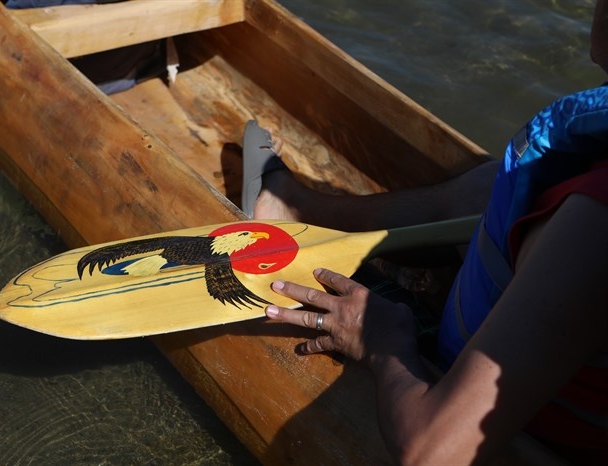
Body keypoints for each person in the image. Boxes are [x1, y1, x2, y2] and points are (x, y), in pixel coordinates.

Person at [250, 2, 608, 465]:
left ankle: (296, 212)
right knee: (492, 184)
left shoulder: (596, 222)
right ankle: (302, 209)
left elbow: (430, 453)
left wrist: (380, 339)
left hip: (504, 436)